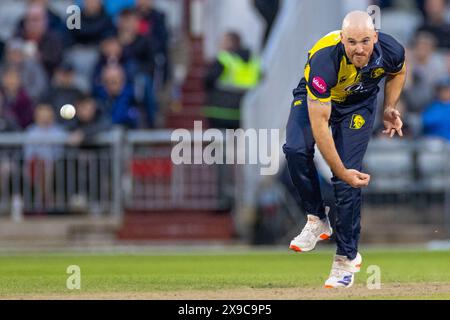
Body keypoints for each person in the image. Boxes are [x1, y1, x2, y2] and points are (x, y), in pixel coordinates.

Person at [282, 11, 406, 288]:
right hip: (318, 101)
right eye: (351, 42)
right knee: (295, 149)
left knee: (347, 182)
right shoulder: (324, 61)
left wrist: (389, 106)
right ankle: (317, 219)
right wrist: (340, 170)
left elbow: (399, 72)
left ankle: (346, 259)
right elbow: (320, 125)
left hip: (358, 105)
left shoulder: (392, 50)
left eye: (365, 41)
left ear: (375, 37)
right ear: (341, 38)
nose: (358, 49)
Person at [203, 31, 261, 129]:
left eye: (223, 41)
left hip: (221, 111)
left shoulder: (224, 59)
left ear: (230, 43)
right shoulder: (254, 61)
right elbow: (261, 78)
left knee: (219, 143)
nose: (220, 44)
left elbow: (208, 81)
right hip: (244, 111)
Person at [422, 76, 450, 141]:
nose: (445, 92)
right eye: (442, 90)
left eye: (447, 90)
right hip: (434, 143)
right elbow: (426, 121)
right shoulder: (432, 106)